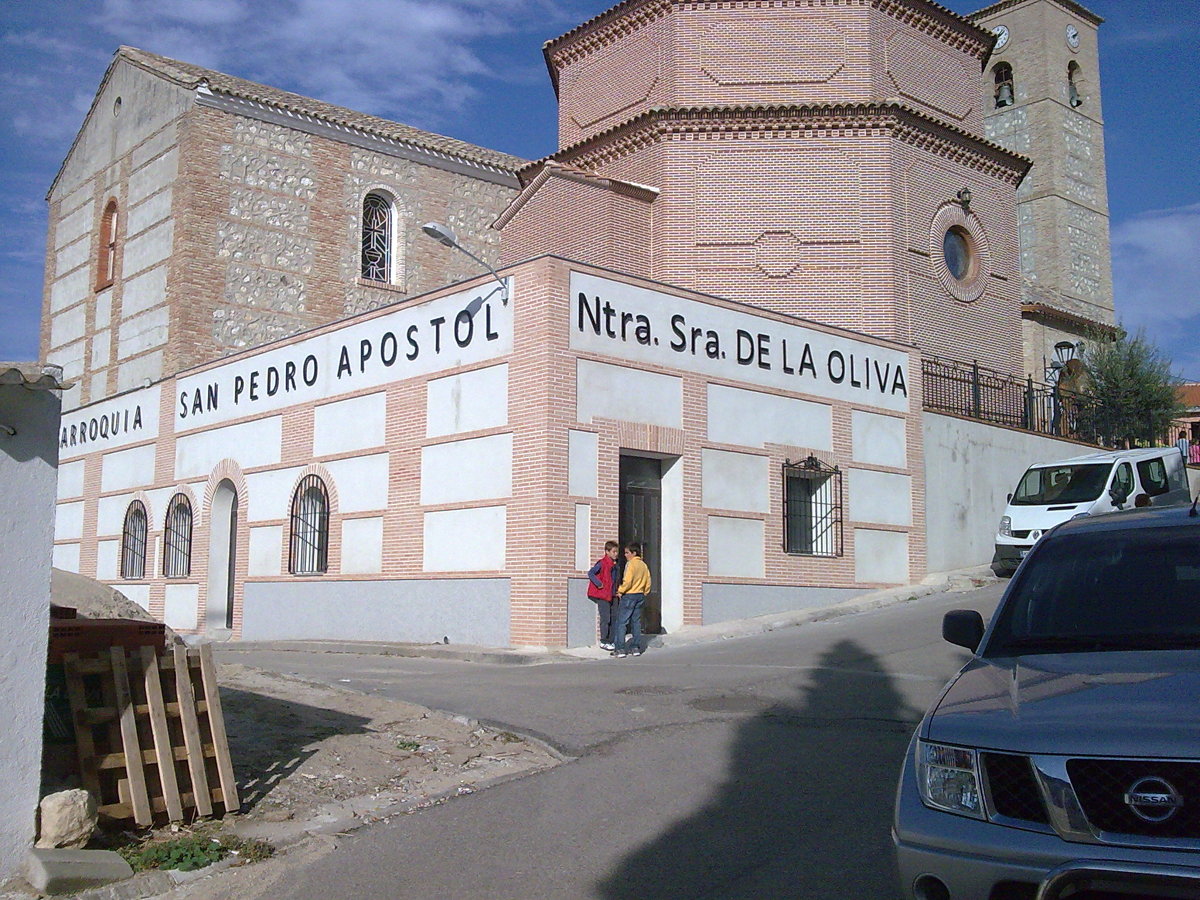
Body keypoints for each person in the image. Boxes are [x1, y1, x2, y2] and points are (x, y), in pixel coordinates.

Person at [612, 542, 651, 658]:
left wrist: (621, 590)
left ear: (634, 553)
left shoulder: (631, 564)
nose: (625, 555)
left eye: (627, 553)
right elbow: (648, 581)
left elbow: (628, 581)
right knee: (636, 622)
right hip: (640, 594)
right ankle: (635, 647)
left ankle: (620, 648)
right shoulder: (643, 565)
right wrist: (645, 592)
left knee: (621, 622)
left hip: (629, 595)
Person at [586, 540, 620, 650]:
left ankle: (611, 640)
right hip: (603, 595)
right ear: (607, 552)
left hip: (613, 595)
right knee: (606, 618)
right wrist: (598, 583)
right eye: (613, 552)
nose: (616, 554)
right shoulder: (602, 563)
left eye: (616, 552)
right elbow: (591, 573)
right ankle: (604, 641)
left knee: (614, 618)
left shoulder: (615, 565)